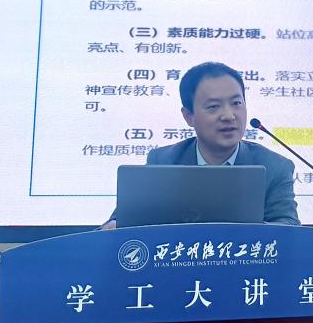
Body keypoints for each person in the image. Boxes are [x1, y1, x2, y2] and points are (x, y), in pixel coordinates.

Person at [101, 62, 299, 228]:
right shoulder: (163, 162)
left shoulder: (274, 166)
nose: (229, 116)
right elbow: (124, 220)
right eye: (213, 107)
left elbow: (288, 227)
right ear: (189, 116)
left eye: (236, 103)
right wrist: (114, 226)